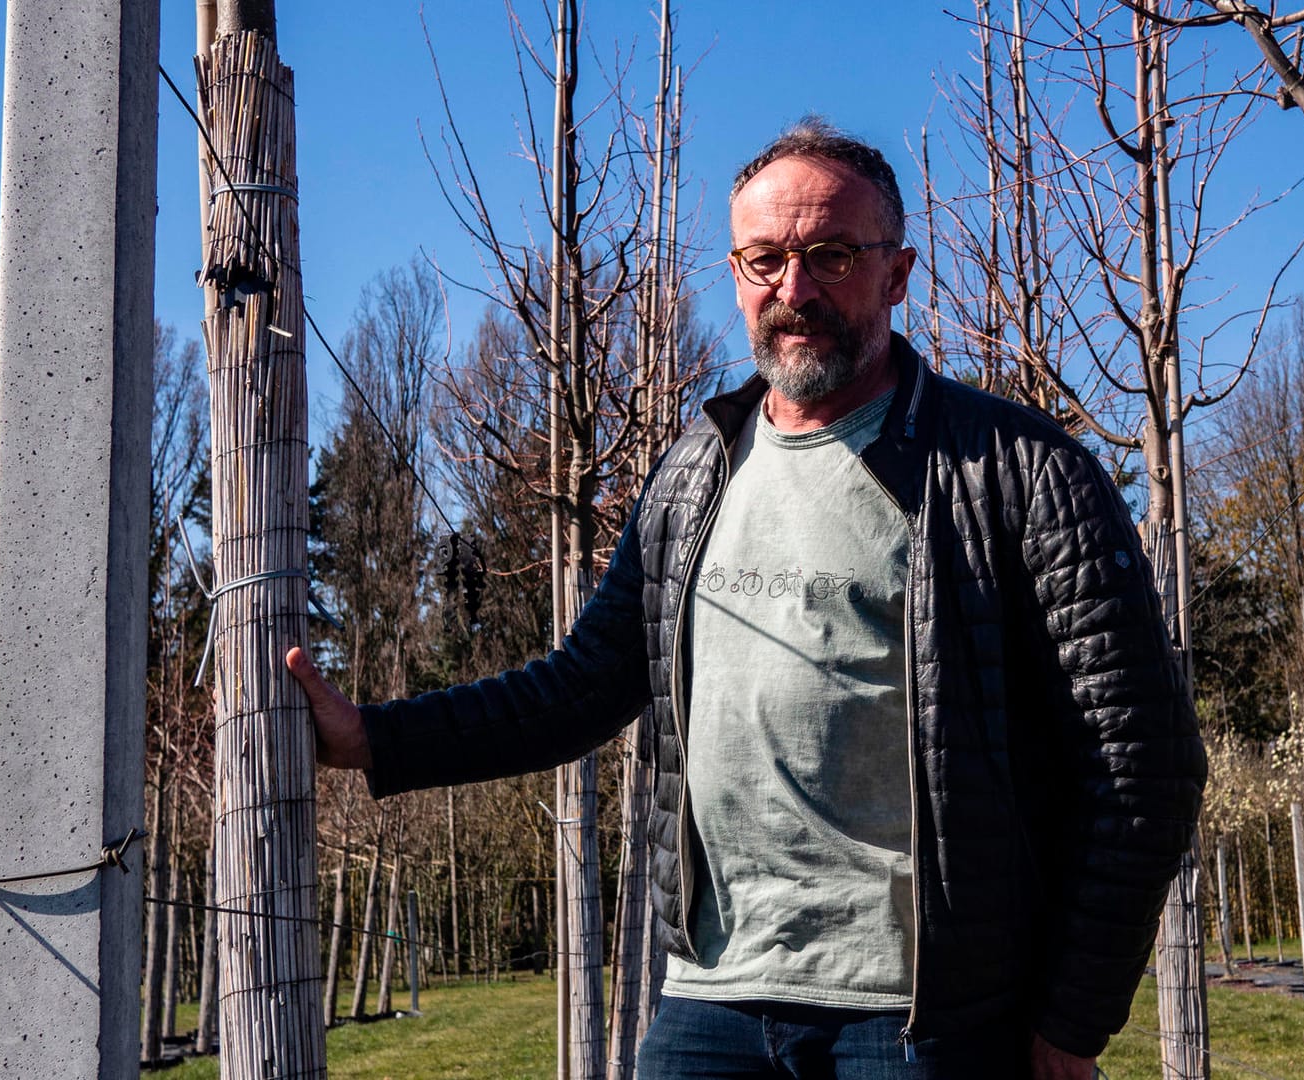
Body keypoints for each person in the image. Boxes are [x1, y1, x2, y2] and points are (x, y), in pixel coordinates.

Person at [288, 117, 1205, 1079]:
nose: (795, 290)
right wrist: (375, 739)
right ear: (735, 274)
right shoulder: (695, 473)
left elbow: (1145, 765)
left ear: (897, 272)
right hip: (710, 1003)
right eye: (765, 259)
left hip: (925, 1022)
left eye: (832, 254)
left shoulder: (1013, 472)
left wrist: (1070, 1025)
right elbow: (580, 688)